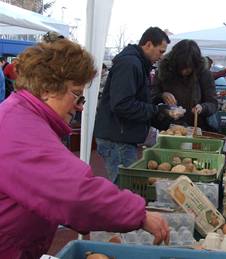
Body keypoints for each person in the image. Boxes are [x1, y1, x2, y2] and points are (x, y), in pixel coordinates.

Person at [0, 38, 169, 259]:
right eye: (76, 94)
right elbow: (73, 192)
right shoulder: (18, 128)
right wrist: (138, 215)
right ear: (47, 89)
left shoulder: (23, 117)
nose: (80, 106)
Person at [94, 27, 171, 182]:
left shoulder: (136, 63)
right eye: (160, 51)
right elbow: (122, 104)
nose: (161, 56)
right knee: (125, 189)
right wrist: (156, 110)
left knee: (125, 188)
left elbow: (134, 100)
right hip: (117, 138)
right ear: (148, 44)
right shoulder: (130, 64)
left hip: (120, 136)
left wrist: (159, 111)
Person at [152, 39, 217, 131]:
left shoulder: (204, 74)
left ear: (195, 64)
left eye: (188, 68)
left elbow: (213, 103)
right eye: (180, 67)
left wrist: (203, 107)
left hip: (196, 127)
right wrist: (162, 95)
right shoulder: (163, 72)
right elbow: (151, 97)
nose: (183, 71)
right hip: (166, 127)